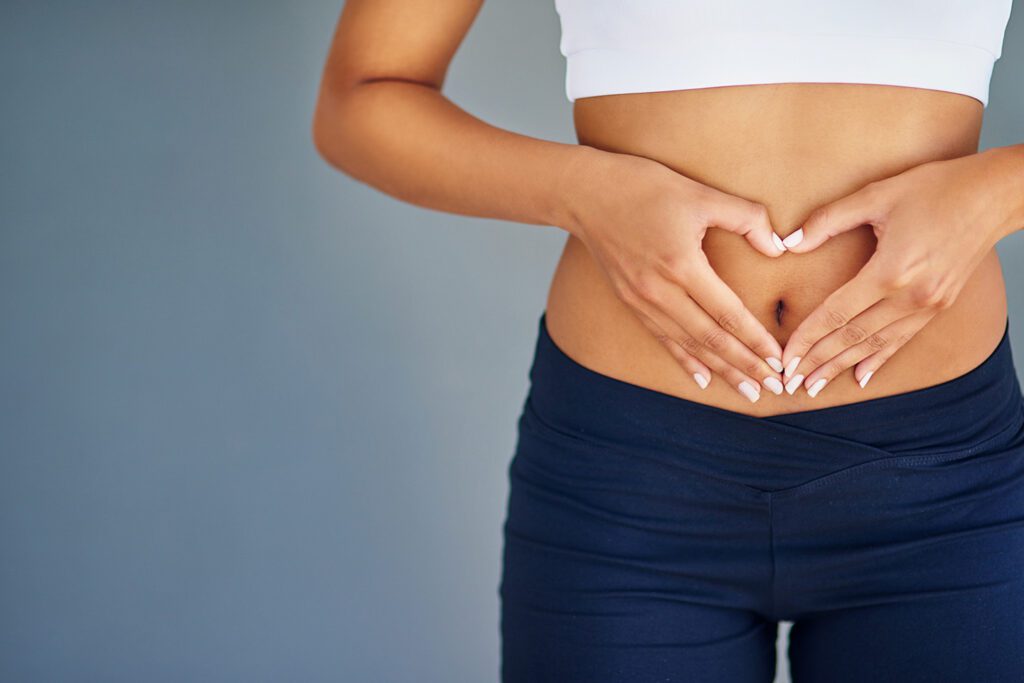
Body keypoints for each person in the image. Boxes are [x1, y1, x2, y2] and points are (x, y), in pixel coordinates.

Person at [313, 1, 1024, 680]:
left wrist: (995, 192)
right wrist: (583, 191)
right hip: (628, 484)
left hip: (942, 486)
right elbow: (361, 99)